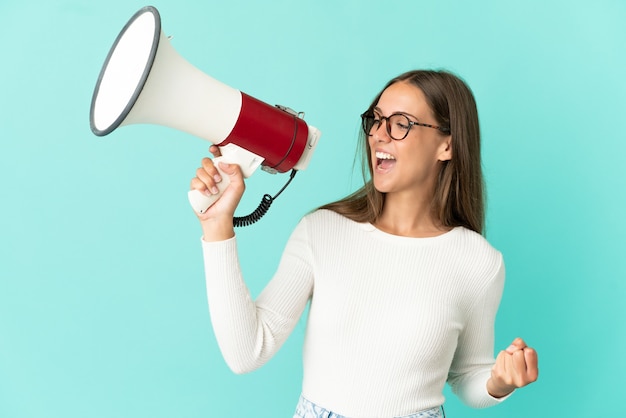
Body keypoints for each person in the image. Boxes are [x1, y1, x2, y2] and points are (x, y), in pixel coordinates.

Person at [190, 69, 539, 418]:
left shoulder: (478, 261)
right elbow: (246, 352)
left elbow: (466, 376)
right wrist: (217, 225)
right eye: (375, 120)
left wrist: (498, 382)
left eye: (400, 123)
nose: (379, 135)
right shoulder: (322, 231)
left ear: (446, 144)